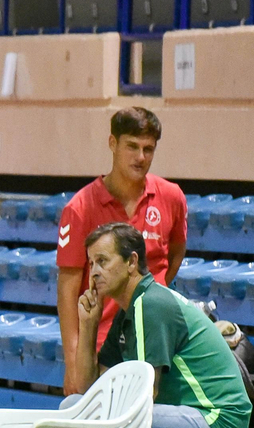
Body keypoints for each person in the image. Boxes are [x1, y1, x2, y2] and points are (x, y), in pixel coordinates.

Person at [69, 223, 252, 428]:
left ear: (131, 262)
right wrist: (88, 325)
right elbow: (88, 389)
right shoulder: (129, 309)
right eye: (91, 263)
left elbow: (145, 395)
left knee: (120, 424)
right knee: (73, 405)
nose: (93, 272)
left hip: (217, 417)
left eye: (103, 261)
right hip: (183, 415)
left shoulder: (150, 304)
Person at [55, 108, 189, 391]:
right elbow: (67, 290)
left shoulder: (171, 197)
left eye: (148, 149)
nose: (140, 157)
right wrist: (73, 362)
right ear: (112, 143)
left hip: (155, 339)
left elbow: (174, 255)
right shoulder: (80, 208)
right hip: (104, 342)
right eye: (132, 146)